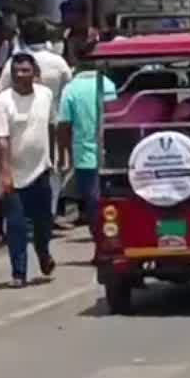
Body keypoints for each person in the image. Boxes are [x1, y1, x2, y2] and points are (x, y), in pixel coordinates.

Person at [0, 18, 73, 222]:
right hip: (52, 121)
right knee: (53, 167)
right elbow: (69, 88)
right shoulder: (58, 62)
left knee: (19, 166)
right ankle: (47, 214)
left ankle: (22, 214)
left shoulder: (14, 63)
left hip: (18, 123)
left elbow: (0, 90)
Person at [0, 53, 57, 287]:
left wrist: (54, 157)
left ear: (34, 72)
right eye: (17, 71)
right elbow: (2, 141)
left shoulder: (46, 95)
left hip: (41, 169)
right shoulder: (3, 101)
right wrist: (5, 174)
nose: (21, 75)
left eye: (25, 71)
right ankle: (18, 273)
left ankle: (43, 254)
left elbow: (50, 126)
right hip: (14, 174)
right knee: (17, 225)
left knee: (43, 223)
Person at [56, 58, 117, 251]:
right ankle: (109, 242)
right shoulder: (108, 85)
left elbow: (64, 125)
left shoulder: (71, 89)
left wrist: (65, 154)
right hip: (110, 155)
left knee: (92, 204)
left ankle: (100, 244)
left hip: (83, 157)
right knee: (109, 202)